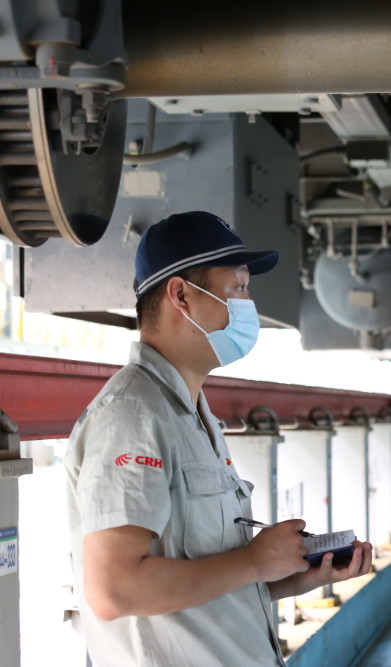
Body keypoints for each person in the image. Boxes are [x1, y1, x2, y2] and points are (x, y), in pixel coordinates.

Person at [65, 211, 374, 666]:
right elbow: (116, 589)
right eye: (238, 290)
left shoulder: (191, 412)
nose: (248, 307)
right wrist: (253, 563)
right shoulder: (134, 413)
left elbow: (205, 587)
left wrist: (290, 574)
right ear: (181, 295)